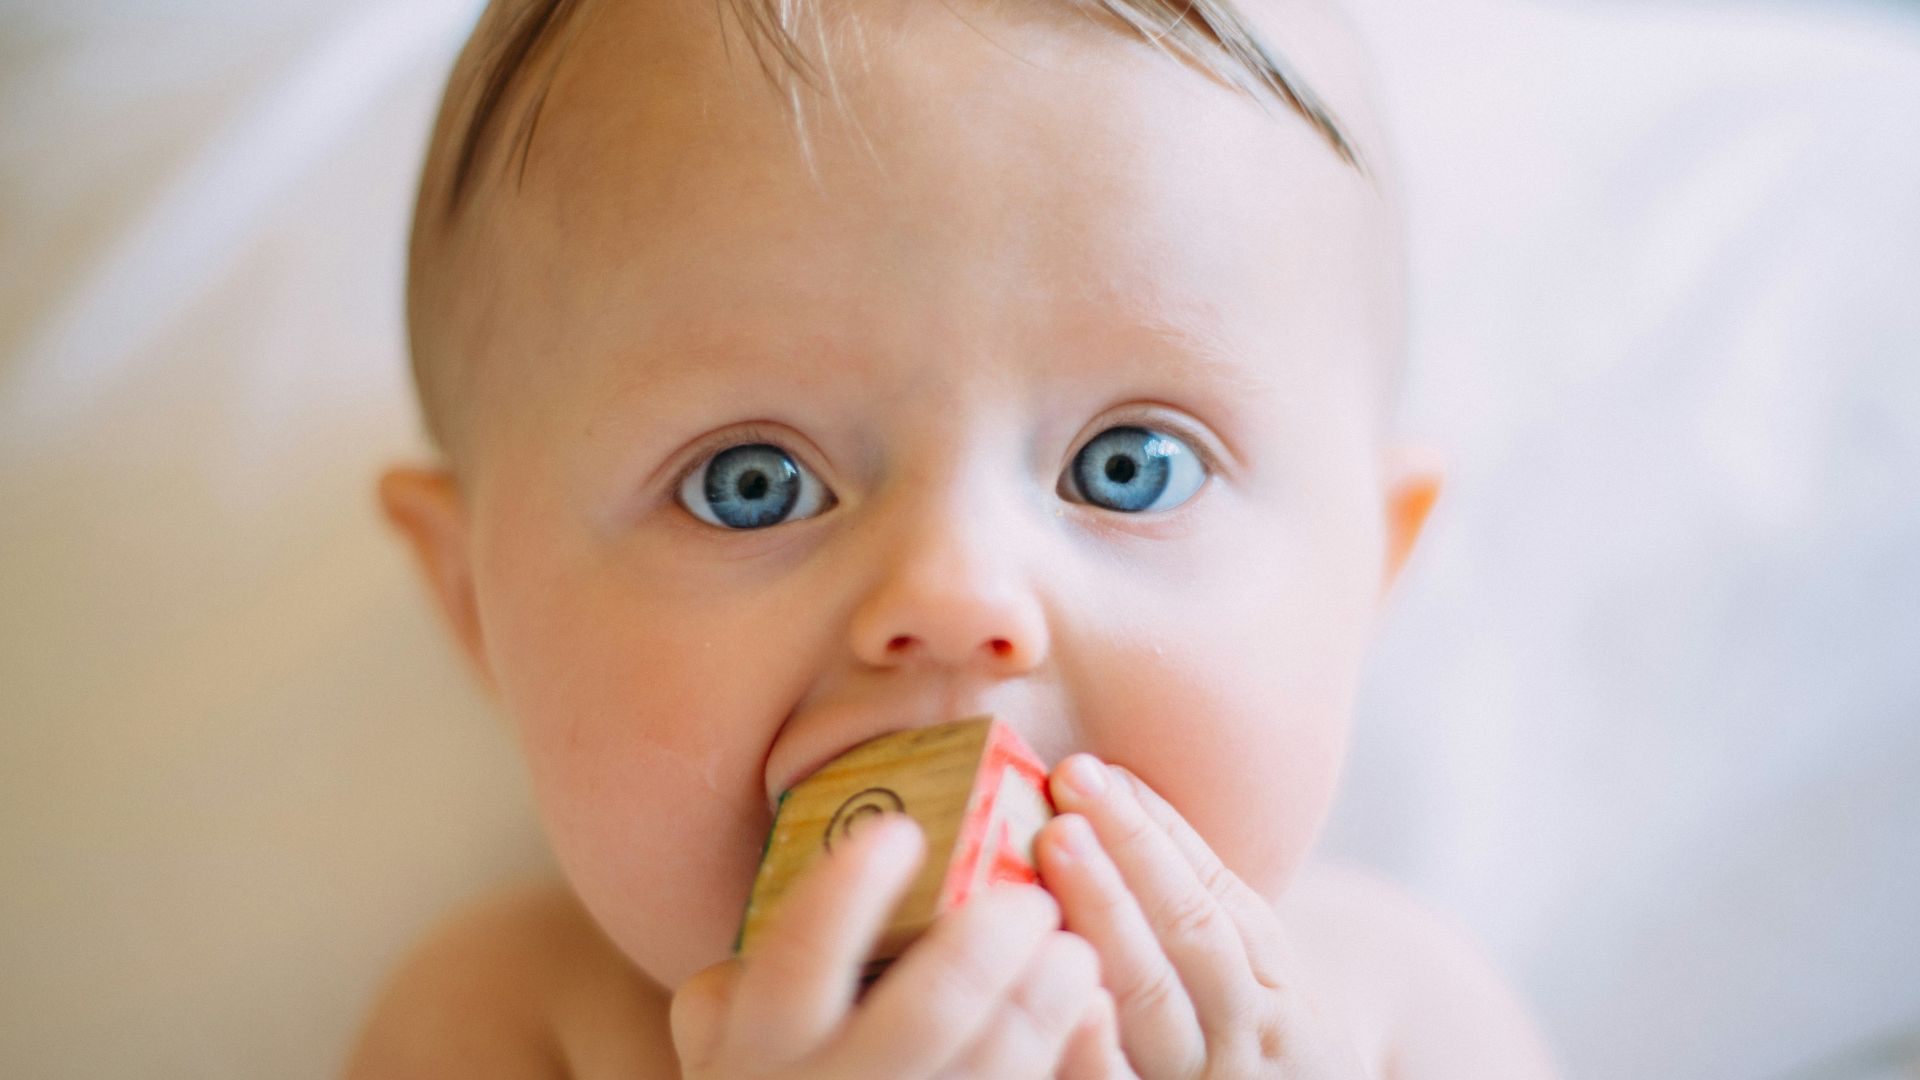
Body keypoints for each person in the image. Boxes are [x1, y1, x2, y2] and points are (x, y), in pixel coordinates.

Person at [350, 0, 1559, 1072]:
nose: (956, 592)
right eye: (751, 483)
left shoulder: (1401, 1024)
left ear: (1365, 582)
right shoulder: (499, 1028)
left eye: (1128, 468)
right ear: (477, 605)